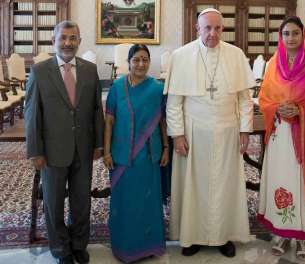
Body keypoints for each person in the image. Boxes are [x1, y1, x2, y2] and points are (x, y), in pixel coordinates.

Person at [164, 8, 255, 258]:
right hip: (194, 133)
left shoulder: (236, 55)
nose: (212, 33)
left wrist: (245, 129)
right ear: (197, 28)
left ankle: (223, 236)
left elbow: (245, 100)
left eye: (217, 28)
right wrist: (177, 134)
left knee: (226, 185)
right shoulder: (181, 56)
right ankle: (192, 236)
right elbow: (174, 103)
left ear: (223, 29)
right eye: (207, 28)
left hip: (228, 131)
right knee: (193, 186)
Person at [25, 21, 104, 264]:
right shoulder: (39, 71)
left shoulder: (90, 70)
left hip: (83, 148)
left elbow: (95, 110)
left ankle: (79, 245)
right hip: (52, 151)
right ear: (54, 41)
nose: (68, 43)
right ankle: (61, 250)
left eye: (73, 38)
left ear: (79, 41)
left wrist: (99, 144)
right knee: (54, 203)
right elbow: (32, 115)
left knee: (82, 201)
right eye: (63, 38)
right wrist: (35, 151)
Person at [257, 16, 305, 261]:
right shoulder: (272, 65)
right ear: (280, 37)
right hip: (280, 136)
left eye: (295, 33)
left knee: (302, 183)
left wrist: (301, 110)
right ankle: (283, 232)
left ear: (303, 35)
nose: (290, 38)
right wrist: (277, 108)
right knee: (282, 179)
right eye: (286, 34)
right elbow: (264, 98)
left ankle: (304, 237)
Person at [103, 44, 168, 263]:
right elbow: (109, 120)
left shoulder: (157, 88)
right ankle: (124, 247)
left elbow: (163, 122)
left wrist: (166, 148)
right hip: (122, 154)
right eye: (136, 60)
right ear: (128, 62)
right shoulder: (117, 87)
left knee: (148, 200)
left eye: (145, 60)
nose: (141, 64)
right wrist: (106, 151)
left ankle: (148, 246)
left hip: (149, 155)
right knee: (124, 201)